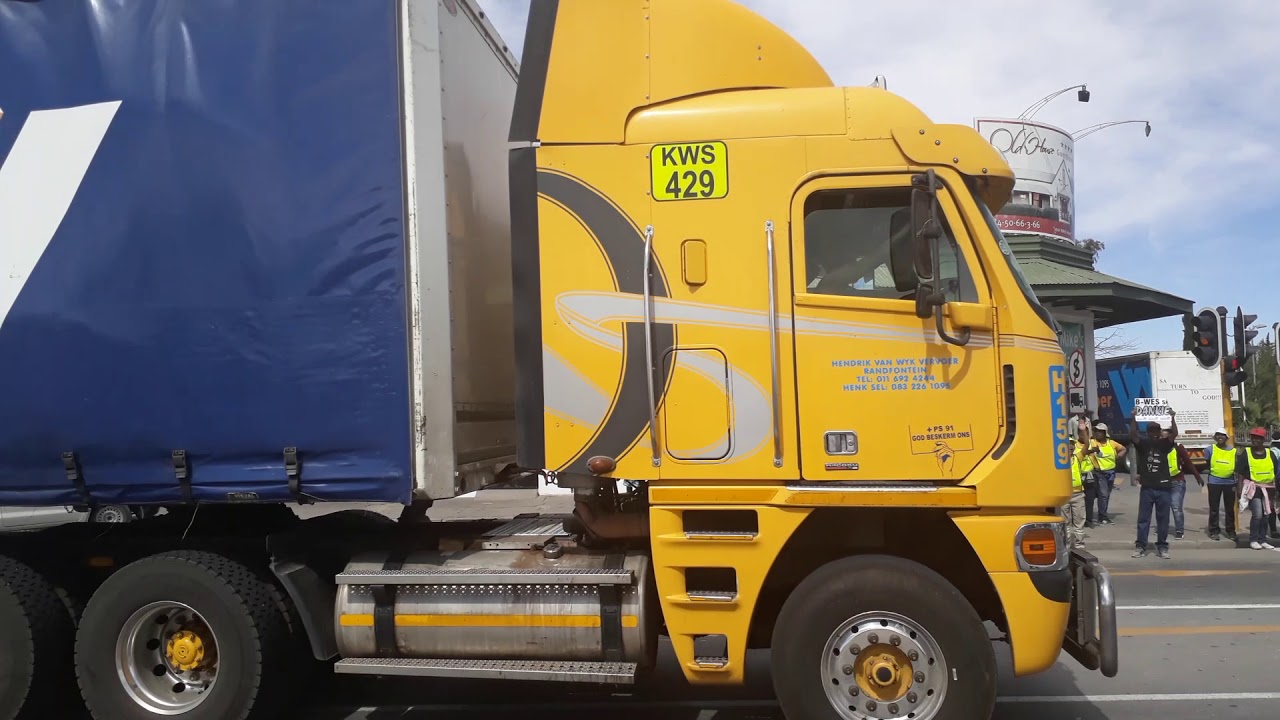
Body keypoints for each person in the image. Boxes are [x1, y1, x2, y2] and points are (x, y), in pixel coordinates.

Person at [1129, 408, 1178, 559]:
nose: (1155, 433)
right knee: (1144, 519)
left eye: (1157, 430)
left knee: (1163, 519)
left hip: (1164, 488)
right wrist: (1134, 418)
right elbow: (1133, 435)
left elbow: (1174, 434)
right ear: (1148, 432)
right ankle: (1140, 546)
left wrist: (1172, 418)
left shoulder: (1164, 444)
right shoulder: (1143, 444)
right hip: (1147, 488)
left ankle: (1162, 547)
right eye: (1152, 430)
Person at [1236, 427, 1279, 550]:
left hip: (1269, 488)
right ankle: (1254, 539)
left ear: (1263, 439)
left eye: (1258, 438)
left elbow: (1275, 472)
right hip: (1253, 488)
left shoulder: (1270, 454)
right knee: (1258, 514)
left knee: (1266, 514)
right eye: (1253, 438)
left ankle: (1263, 539)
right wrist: (1239, 489)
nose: (1255, 440)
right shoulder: (1247, 453)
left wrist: (1276, 489)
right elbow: (1240, 473)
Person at [1164, 426, 1203, 540]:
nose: (1163, 438)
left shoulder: (1178, 448)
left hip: (1177, 482)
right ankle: (1163, 528)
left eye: (1166, 436)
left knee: (1176, 507)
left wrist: (1197, 477)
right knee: (1164, 507)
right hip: (1163, 483)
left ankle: (1179, 530)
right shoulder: (1159, 448)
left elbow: (1188, 463)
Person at [1085, 423, 1126, 526]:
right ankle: (1102, 516)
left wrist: (1117, 457)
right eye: (1096, 431)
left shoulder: (1111, 443)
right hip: (1099, 473)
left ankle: (1102, 514)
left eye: (1100, 431)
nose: (1098, 433)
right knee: (1103, 495)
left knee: (1106, 495)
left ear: (1105, 433)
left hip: (1111, 472)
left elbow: (1123, 449)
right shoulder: (1092, 442)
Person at [1205, 428, 1237, 541]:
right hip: (1214, 482)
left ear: (1226, 438)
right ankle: (1213, 530)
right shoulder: (1209, 449)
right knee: (1214, 508)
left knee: (1229, 508)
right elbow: (1207, 464)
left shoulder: (1233, 450)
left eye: (1222, 435)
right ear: (1215, 437)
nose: (1220, 437)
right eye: (1218, 435)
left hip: (1230, 482)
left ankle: (1231, 531)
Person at [1064, 428, 1089, 548]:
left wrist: (1083, 431)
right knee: (1065, 522)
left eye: (1072, 444)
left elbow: (1087, 444)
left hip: (1078, 494)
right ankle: (1067, 543)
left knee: (1079, 520)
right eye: (1068, 444)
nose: (1071, 447)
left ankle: (1079, 543)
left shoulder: (1077, 457)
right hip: (1064, 495)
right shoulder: (1059, 460)